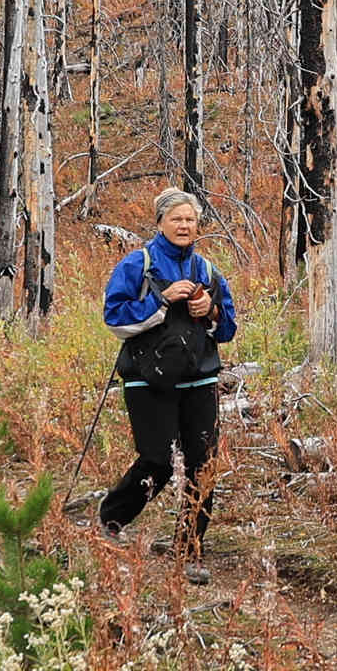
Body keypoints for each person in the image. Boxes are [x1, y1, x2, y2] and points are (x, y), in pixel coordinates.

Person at [99, 188, 237, 537]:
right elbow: (115, 320)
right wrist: (162, 300)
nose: (184, 225)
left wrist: (212, 310)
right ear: (160, 222)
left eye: (190, 219)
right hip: (148, 381)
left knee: (203, 467)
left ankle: (189, 548)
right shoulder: (137, 264)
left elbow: (228, 330)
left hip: (199, 380)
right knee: (157, 463)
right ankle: (111, 521)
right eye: (176, 218)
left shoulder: (207, 269)